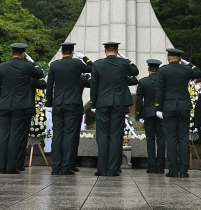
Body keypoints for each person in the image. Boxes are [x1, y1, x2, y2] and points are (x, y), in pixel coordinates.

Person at [0, 43, 44, 174]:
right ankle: (11, 167)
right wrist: (33, 62)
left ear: (12, 53)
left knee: (4, 135)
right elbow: (40, 74)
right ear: (23, 54)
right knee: (15, 135)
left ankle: (2, 167)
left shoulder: (2, 67)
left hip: (4, 105)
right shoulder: (28, 66)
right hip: (20, 105)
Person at [90, 41, 139, 176]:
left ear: (105, 51)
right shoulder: (123, 64)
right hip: (119, 103)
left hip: (102, 103)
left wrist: (94, 104)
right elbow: (135, 71)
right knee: (116, 136)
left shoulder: (98, 64)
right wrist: (125, 59)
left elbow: (94, 85)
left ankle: (102, 169)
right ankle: (113, 169)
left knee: (102, 136)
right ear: (117, 51)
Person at [45, 42, 93, 175]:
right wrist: (84, 58)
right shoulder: (77, 64)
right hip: (72, 103)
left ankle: (56, 166)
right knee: (69, 135)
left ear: (61, 52)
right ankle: (66, 166)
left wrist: (49, 103)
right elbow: (93, 68)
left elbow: (49, 85)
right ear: (72, 52)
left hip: (58, 102)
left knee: (58, 134)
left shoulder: (54, 65)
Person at [155, 48, 201, 178]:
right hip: (183, 107)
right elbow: (199, 72)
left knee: (170, 138)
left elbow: (160, 90)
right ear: (180, 59)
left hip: (168, 106)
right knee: (183, 138)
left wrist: (158, 107)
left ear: (168, 58)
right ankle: (184, 170)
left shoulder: (163, 70)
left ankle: (173, 170)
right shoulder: (186, 70)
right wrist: (188, 64)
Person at [135, 59, 166, 174]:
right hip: (161, 113)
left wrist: (140, 115)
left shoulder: (143, 82)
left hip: (148, 113)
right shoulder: (163, 81)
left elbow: (139, 99)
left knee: (150, 139)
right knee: (161, 139)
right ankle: (161, 166)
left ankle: (152, 166)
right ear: (158, 69)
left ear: (148, 69)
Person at [17, 76, 47, 171]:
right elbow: (44, 84)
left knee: (9, 136)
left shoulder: (9, 73)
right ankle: (18, 163)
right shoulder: (30, 78)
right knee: (22, 137)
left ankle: (7, 163)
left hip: (9, 107)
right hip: (25, 109)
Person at [69, 73, 92, 172]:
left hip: (59, 106)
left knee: (59, 136)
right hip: (75, 107)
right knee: (73, 136)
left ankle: (58, 164)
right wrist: (87, 76)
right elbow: (92, 83)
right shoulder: (81, 78)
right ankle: (70, 163)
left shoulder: (57, 72)